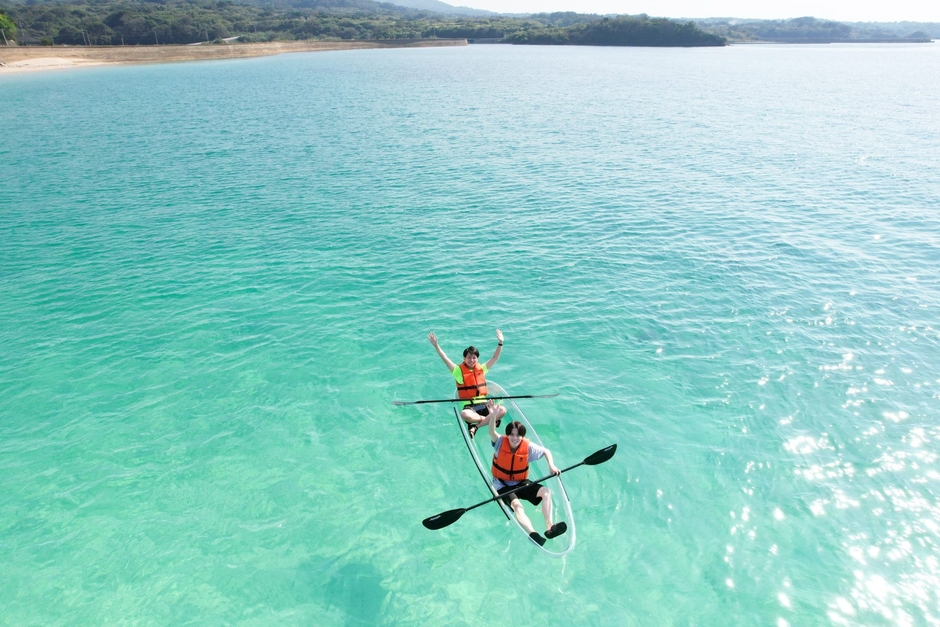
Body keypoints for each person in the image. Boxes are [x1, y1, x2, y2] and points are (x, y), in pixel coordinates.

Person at [489, 416, 567, 546]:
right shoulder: (499, 443)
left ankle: (549, 526)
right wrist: (493, 416)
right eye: (512, 434)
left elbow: (546, 451)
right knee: (517, 506)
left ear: (522, 436)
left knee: (546, 492)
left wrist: (551, 466)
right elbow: (491, 432)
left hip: (520, 482)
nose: (515, 438)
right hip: (501, 484)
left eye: (518, 435)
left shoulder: (528, 446)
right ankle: (533, 534)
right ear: (507, 435)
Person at [428, 329, 508, 438]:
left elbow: (495, 358)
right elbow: (445, 359)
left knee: (503, 410)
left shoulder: (481, 369)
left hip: (485, 405)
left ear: (477, 359)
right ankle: (490, 420)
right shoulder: (458, 372)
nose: (471, 360)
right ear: (464, 359)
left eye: (474, 357)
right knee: (464, 414)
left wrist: (500, 343)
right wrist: (436, 346)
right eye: (469, 357)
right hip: (470, 408)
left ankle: (476, 427)